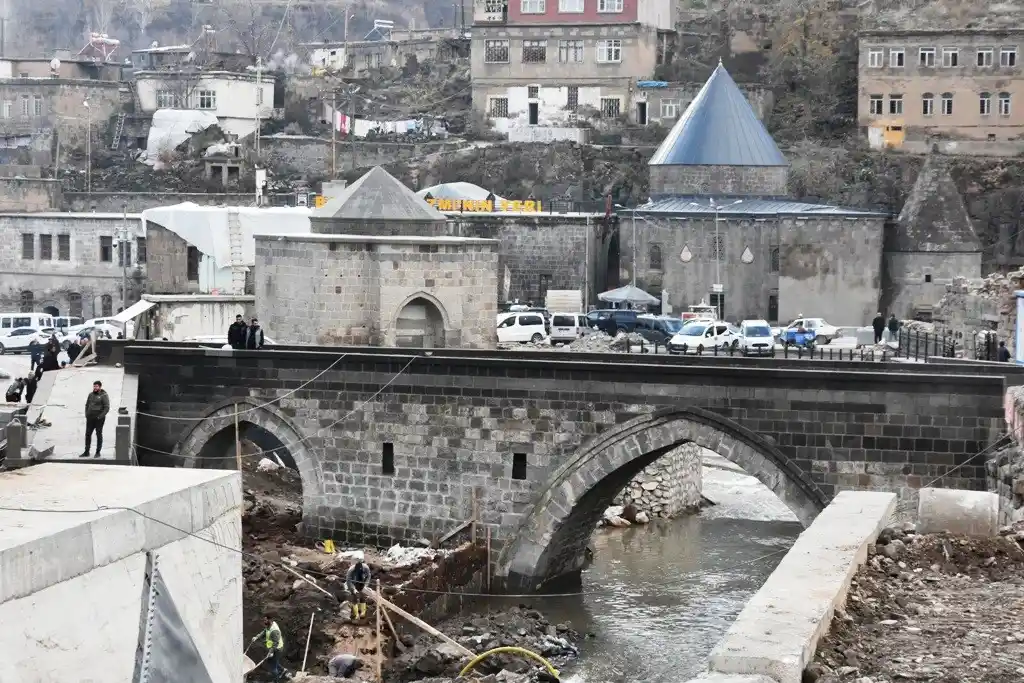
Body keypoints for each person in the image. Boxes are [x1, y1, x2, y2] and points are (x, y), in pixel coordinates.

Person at [250, 615, 285, 681]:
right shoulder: (269, 625)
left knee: (273, 667)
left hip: (277, 649)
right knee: (271, 661)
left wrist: (271, 652)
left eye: (265, 620)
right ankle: (283, 670)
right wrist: (257, 637)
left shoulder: (274, 630)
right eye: (264, 620)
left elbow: (275, 643)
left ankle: (276, 680)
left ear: (270, 620)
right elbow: (264, 631)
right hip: (272, 648)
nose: (264, 622)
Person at [80, 380, 109, 458]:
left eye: (96, 386)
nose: (95, 388)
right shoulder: (90, 395)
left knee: (99, 434)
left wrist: (100, 416)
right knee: (88, 434)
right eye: (94, 386)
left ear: (100, 387)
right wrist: (86, 414)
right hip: (90, 418)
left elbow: (107, 407)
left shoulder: (104, 395)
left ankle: (98, 452)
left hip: (99, 419)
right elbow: (87, 405)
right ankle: (86, 451)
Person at [345, 555, 372, 620]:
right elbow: (348, 581)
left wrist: (365, 585)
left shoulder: (366, 568)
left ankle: (362, 613)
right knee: (354, 598)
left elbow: (368, 576)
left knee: (363, 597)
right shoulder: (351, 570)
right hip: (353, 583)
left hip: (362, 582)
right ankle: (356, 614)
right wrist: (353, 589)